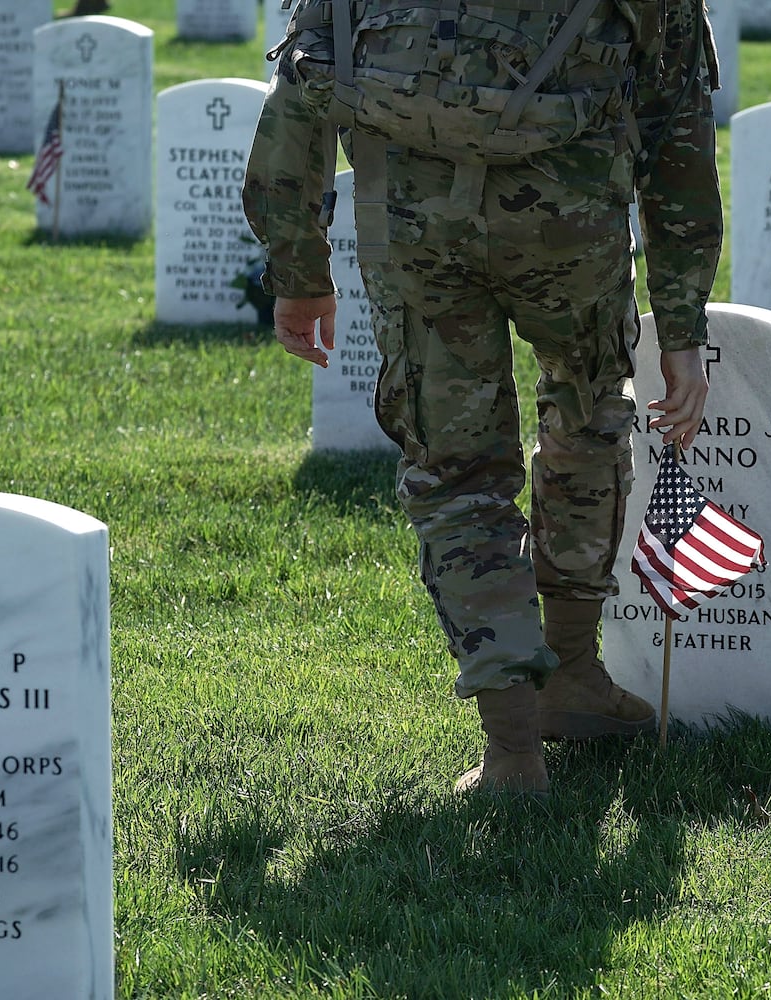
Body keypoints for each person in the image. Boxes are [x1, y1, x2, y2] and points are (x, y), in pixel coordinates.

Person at [243, 0, 722, 794]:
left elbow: (304, 79)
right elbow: (675, 120)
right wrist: (679, 325)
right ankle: (569, 670)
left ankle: (512, 747)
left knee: (458, 472)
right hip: (568, 227)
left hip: (412, 224)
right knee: (588, 420)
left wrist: (296, 269)